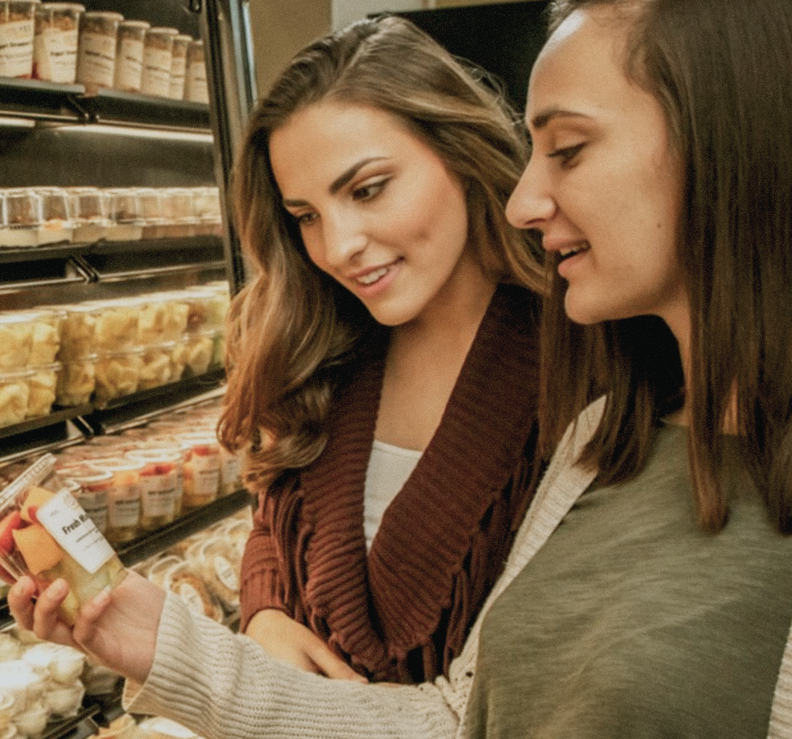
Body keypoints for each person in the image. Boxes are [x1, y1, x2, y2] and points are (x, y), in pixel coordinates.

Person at [10, 0, 792, 736]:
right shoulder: (613, 438)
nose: (525, 200)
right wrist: (169, 639)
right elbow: (466, 717)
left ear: (735, 140)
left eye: (571, 149)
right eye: (304, 215)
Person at [220, 16, 547, 685]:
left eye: (367, 190)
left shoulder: (580, 354)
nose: (337, 247)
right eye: (306, 216)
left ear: (459, 151)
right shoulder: (326, 344)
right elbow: (279, 520)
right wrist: (265, 613)